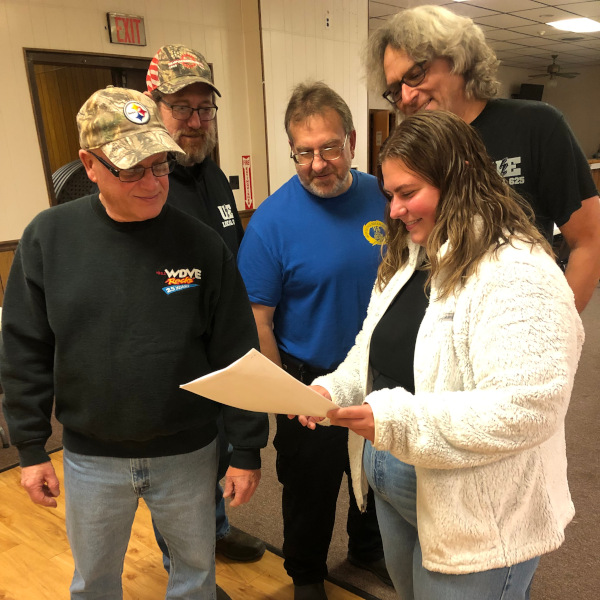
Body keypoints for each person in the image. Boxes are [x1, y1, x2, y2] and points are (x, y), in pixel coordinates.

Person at [300, 109, 584, 600]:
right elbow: (370, 348)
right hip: (396, 479)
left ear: (461, 180)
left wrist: (392, 419)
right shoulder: (411, 255)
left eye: (408, 193)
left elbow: (528, 406)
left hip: (477, 509)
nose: (393, 209)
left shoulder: (517, 267)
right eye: (390, 195)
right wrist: (334, 387)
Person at [0, 86, 268, 599]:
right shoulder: (47, 239)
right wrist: (31, 448)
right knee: (94, 582)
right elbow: (24, 350)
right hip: (90, 458)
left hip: (189, 451)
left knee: (195, 576)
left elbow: (236, 351)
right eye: (131, 169)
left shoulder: (201, 244)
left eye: (161, 165)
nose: (152, 182)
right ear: (89, 164)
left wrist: (248, 447)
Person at [237, 81, 389, 600]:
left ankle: (368, 550)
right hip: (311, 381)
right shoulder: (271, 224)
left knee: (377, 473)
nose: (318, 163)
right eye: (304, 152)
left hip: (382, 377)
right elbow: (259, 320)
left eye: (329, 147)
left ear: (351, 139)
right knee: (311, 488)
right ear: (292, 151)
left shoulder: (382, 195)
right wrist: (282, 399)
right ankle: (305, 574)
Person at [365, 4, 600, 313]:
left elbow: (589, 241)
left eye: (415, 74)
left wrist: (559, 327)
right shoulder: (416, 147)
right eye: (395, 89)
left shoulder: (536, 126)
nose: (406, 97)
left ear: (459, 59)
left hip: (512, 319)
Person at [146, 44, 266, 568]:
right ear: (154, 108)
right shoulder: (147, 184)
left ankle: (213, 531)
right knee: (179, 472)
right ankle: (181, 566)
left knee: (215, 455)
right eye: (182, 108)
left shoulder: (213, 178)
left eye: (204, 109)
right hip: (172, 359)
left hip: (220, 350)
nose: (196, 121)